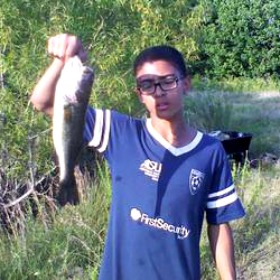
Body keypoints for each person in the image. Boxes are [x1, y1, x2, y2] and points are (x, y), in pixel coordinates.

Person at [30, 33, 245, 280]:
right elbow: (42, 101)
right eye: (147, 84)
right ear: (139, 93)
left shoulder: (210, 151)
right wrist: (62, 60)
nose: (158, 92)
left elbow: (218, 224)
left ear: (186, 83)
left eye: (168, 81)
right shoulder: (119, 133)